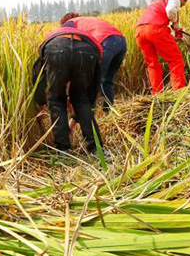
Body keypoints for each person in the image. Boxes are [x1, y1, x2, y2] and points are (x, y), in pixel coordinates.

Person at [32, 19, 104, 154]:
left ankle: (63, 150)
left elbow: (38, 74)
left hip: (56, 49)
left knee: (56, 99)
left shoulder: (52, 36)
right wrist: (89, 102)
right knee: (81, 100)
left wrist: (40, 102)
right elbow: (94, 84)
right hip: (87, 52)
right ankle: (96, 148)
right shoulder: (86, 36)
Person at [58, 13, 126, 111]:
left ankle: (88, 115)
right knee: (107, 80)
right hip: (121, 41)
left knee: (91, 81)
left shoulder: (70, 24)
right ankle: (108, 111)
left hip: (105, 42)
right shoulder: (86, 20)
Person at [135, 0, 190, 93]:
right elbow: (170, 10)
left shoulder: (157, 2)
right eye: (184, 0)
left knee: (152, 65)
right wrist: (175, 24)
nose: (184, 4)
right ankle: (179, 93)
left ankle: (157, 94)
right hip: (155, 29)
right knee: (176, 60)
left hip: (140, 32)